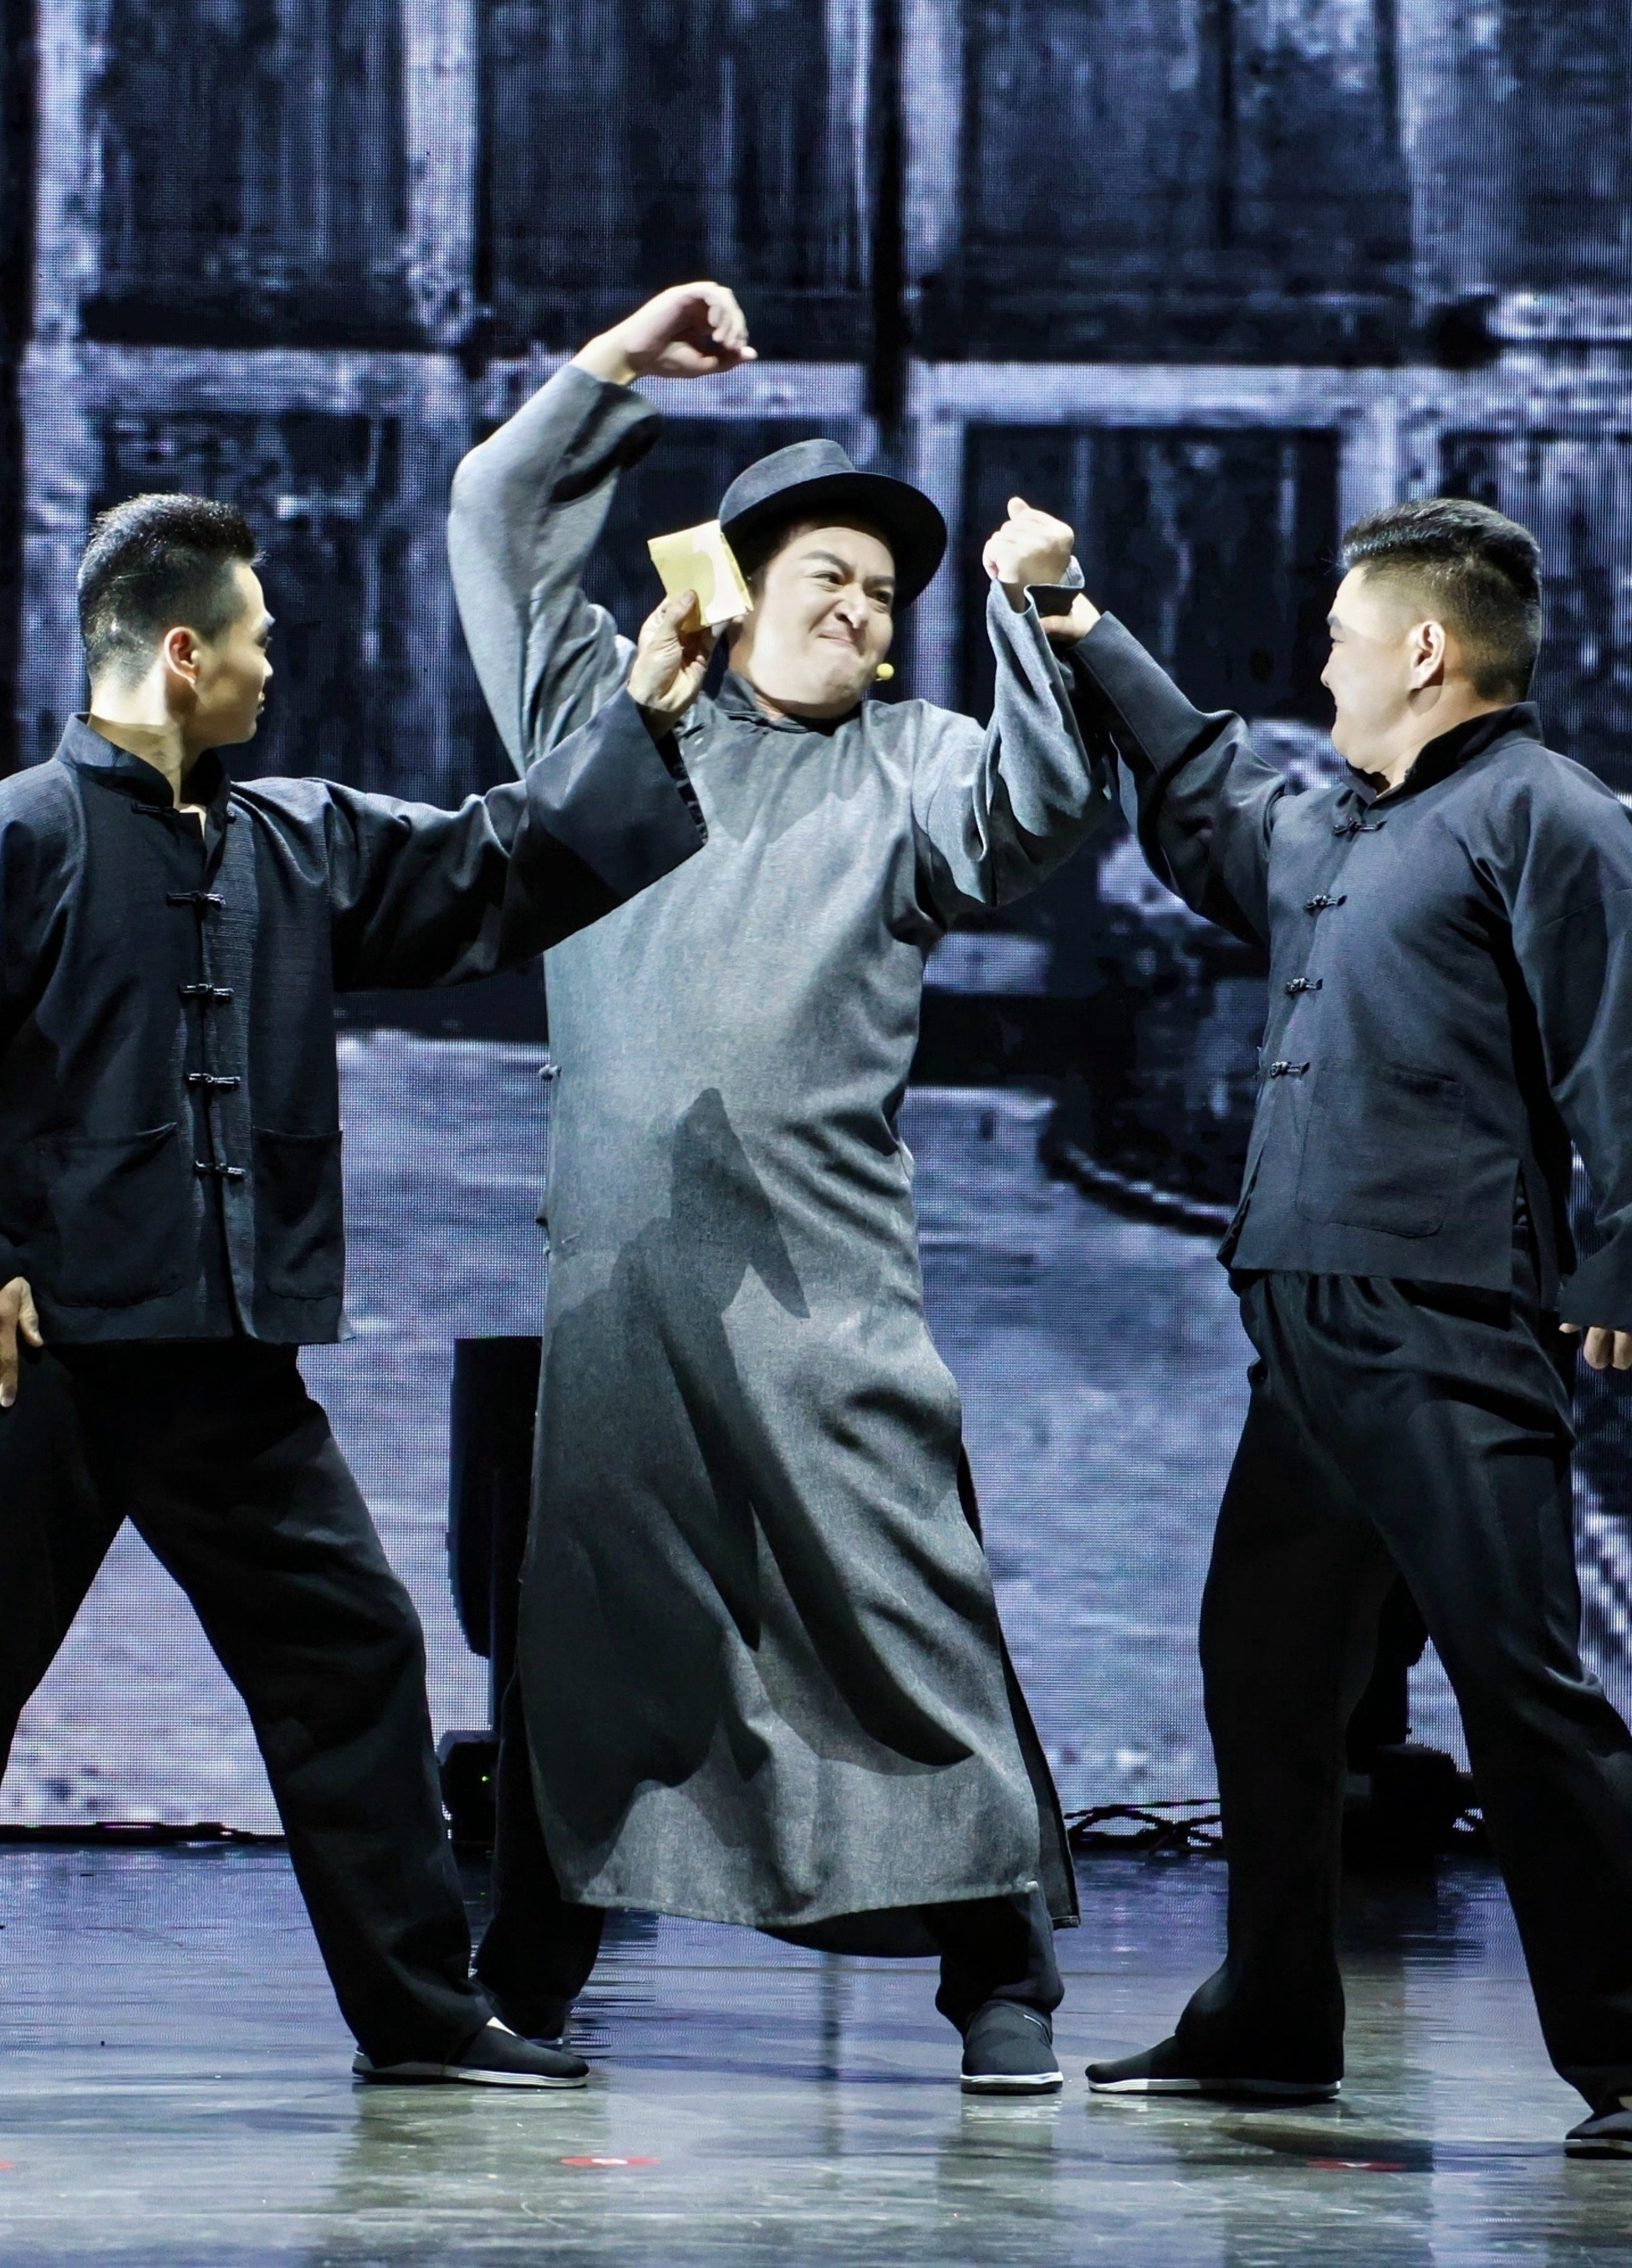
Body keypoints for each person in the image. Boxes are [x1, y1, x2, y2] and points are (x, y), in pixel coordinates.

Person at [0, 493, 714, 2117]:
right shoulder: (11, 837)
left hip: (230, 1369)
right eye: (259, 640)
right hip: (50, 1366)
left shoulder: (292, 841)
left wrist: (646, 714)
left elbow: (489, 862)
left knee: (351, 1656)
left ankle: (423, 2012)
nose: (277, 668)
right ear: (184, 653)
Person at [447, 282, 1108, 2094]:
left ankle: (999, 1972)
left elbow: (1041, 808)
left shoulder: (916, 765)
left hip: (826, 1284)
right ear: (734, 587)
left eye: (885, 593)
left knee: (902, 1599)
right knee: (599, 1625)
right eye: (828, 572)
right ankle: (527, 1974)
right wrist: (613, 371)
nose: (860, 607)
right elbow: (497, 516)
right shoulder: (608, 720)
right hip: (627, 1281)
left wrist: (1033, 609)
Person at [1037, 493, 1632, 2160]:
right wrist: (1081, 627)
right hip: (1308, 1327)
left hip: (1446, 1324)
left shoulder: (1544, 814)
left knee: (1519, 1683)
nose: (1325, 669)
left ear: (1426, 652)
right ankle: (1271, 2025)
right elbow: (1209, 793)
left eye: (1344, 641)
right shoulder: (1346, 827)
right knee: (1268, 1673)